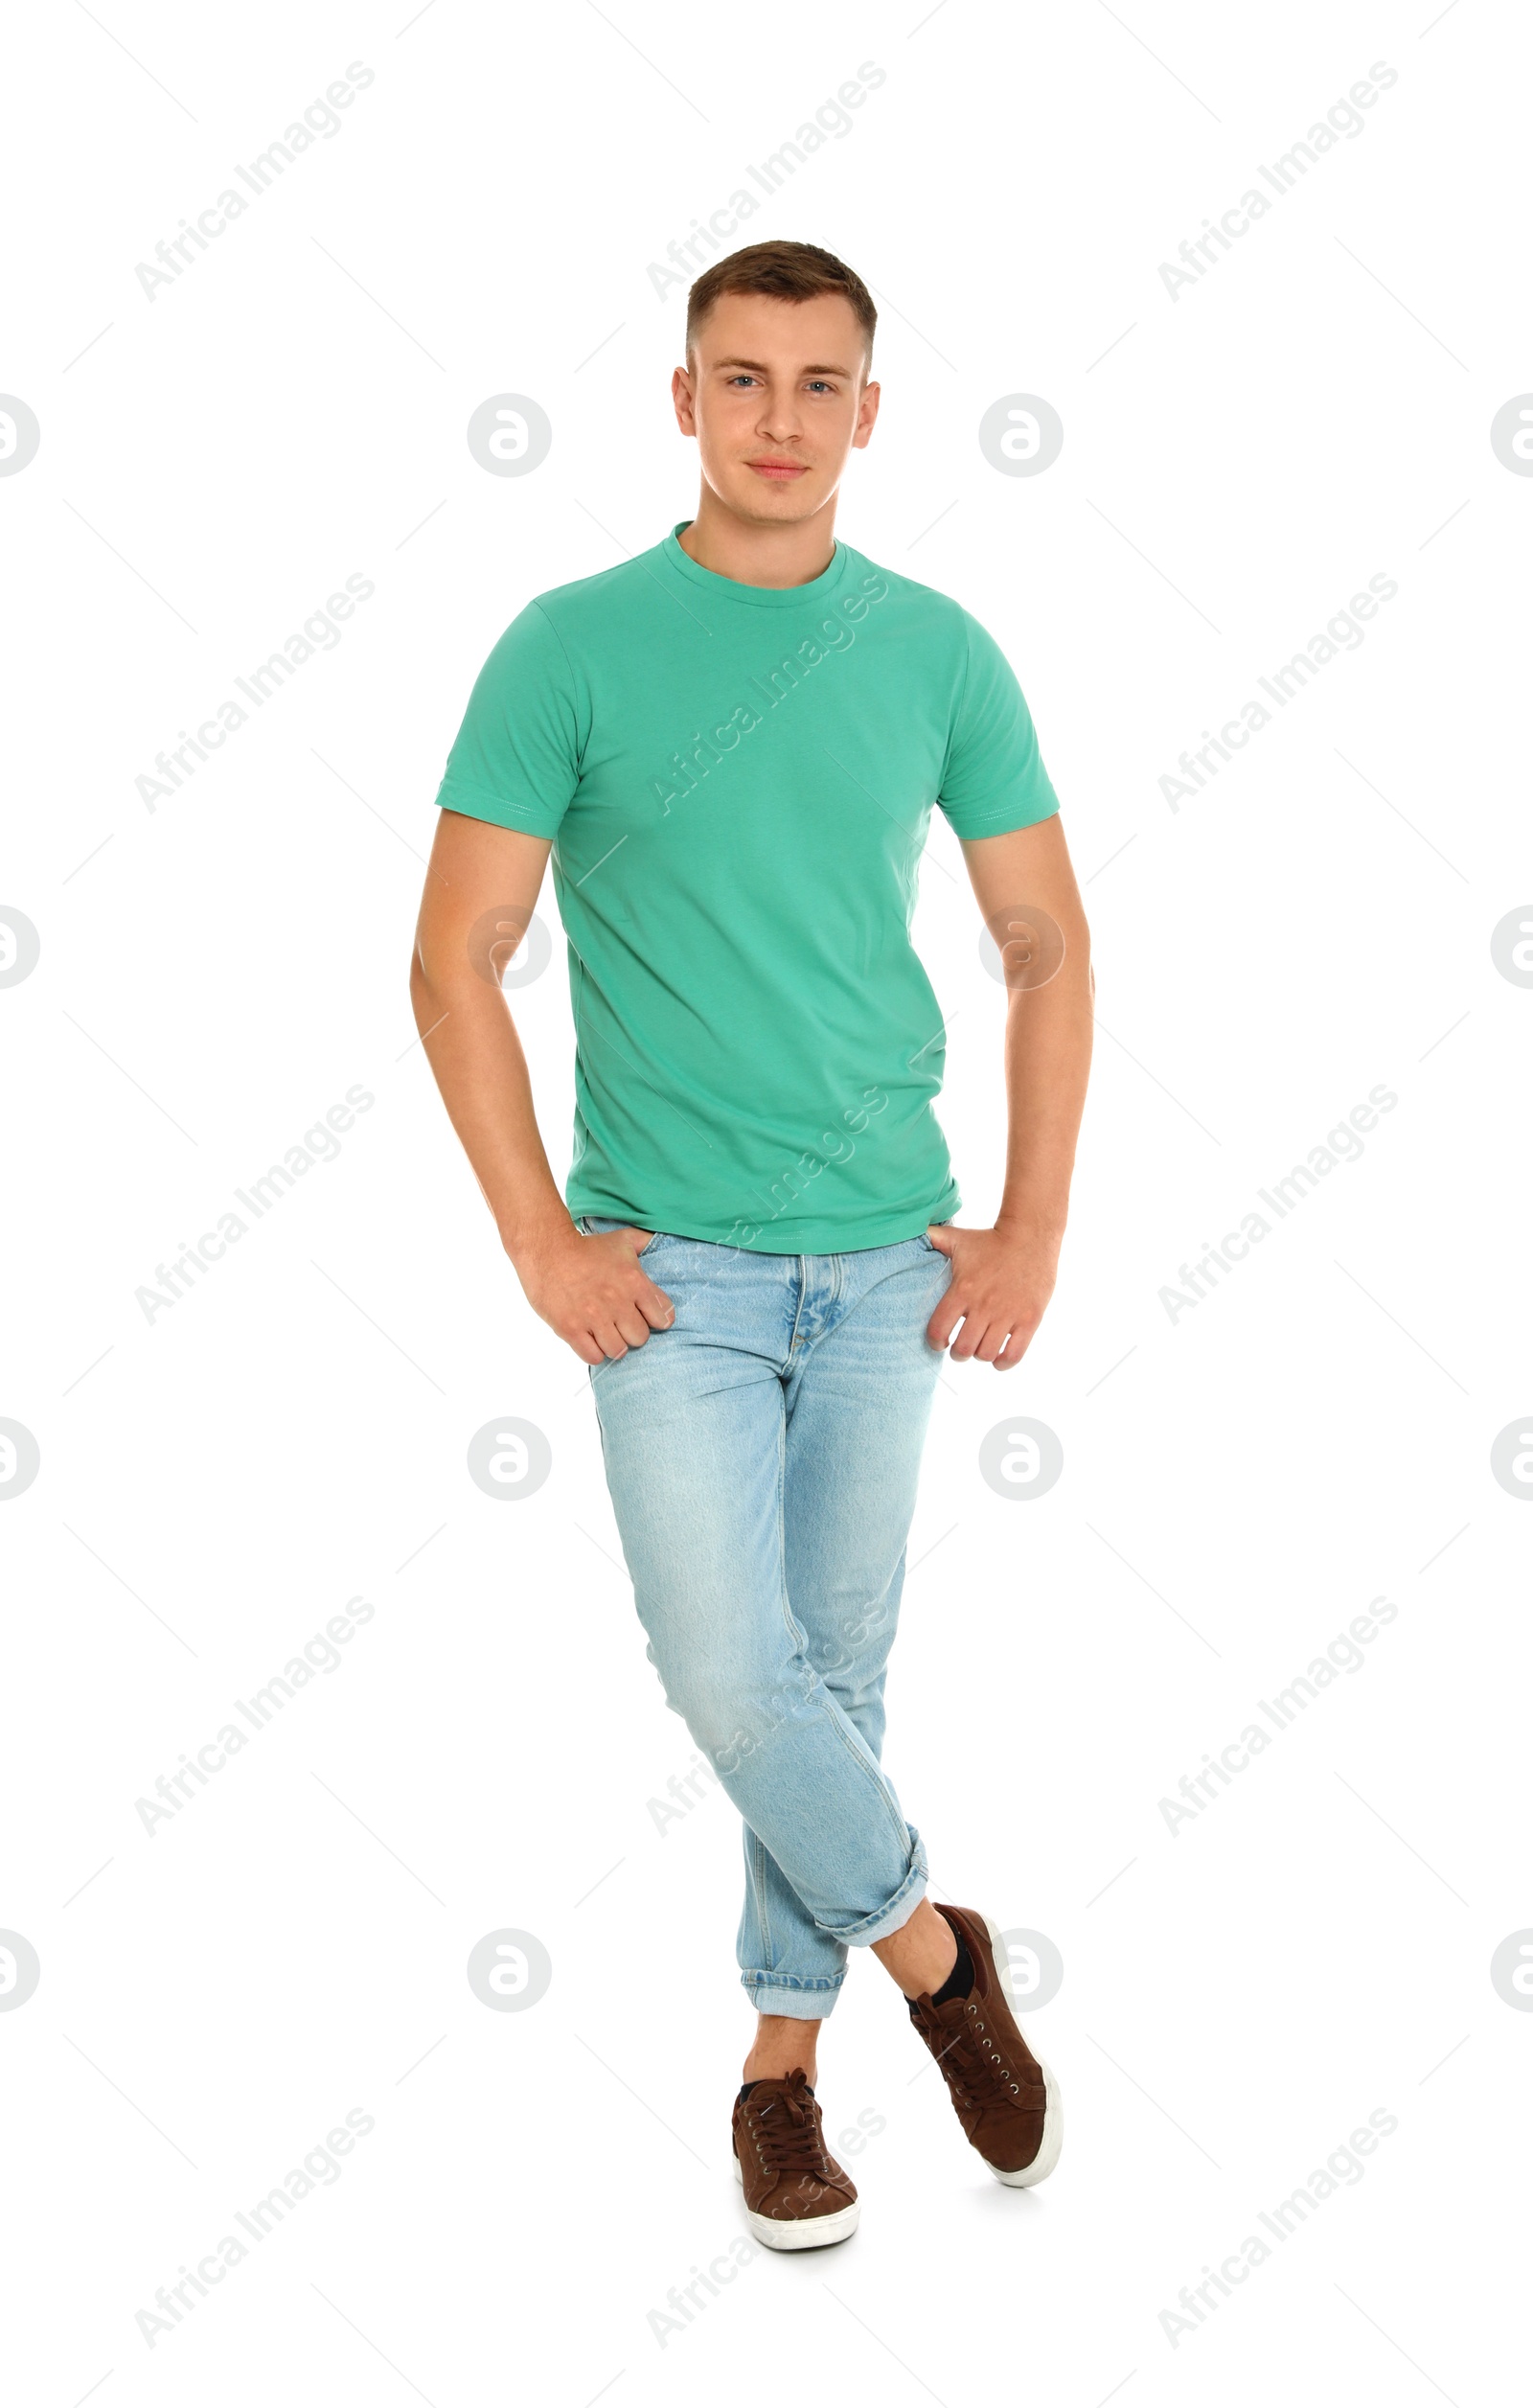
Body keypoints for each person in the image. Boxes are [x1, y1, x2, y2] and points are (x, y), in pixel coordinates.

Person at [411, 239, 1091, 2248]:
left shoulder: (937, 650)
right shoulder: (568, 645)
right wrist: (539, 1243)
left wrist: (1030, 1222)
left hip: (888, 1259)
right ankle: (937, 1962)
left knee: (833, 1675)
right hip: (667, 1273)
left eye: (818, 384)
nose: (778, 420)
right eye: (740, 380)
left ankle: (776, 2082)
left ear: (868, 413)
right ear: (681, 399)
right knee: (728, 1670)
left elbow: (1043, 944)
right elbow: (455, 957)